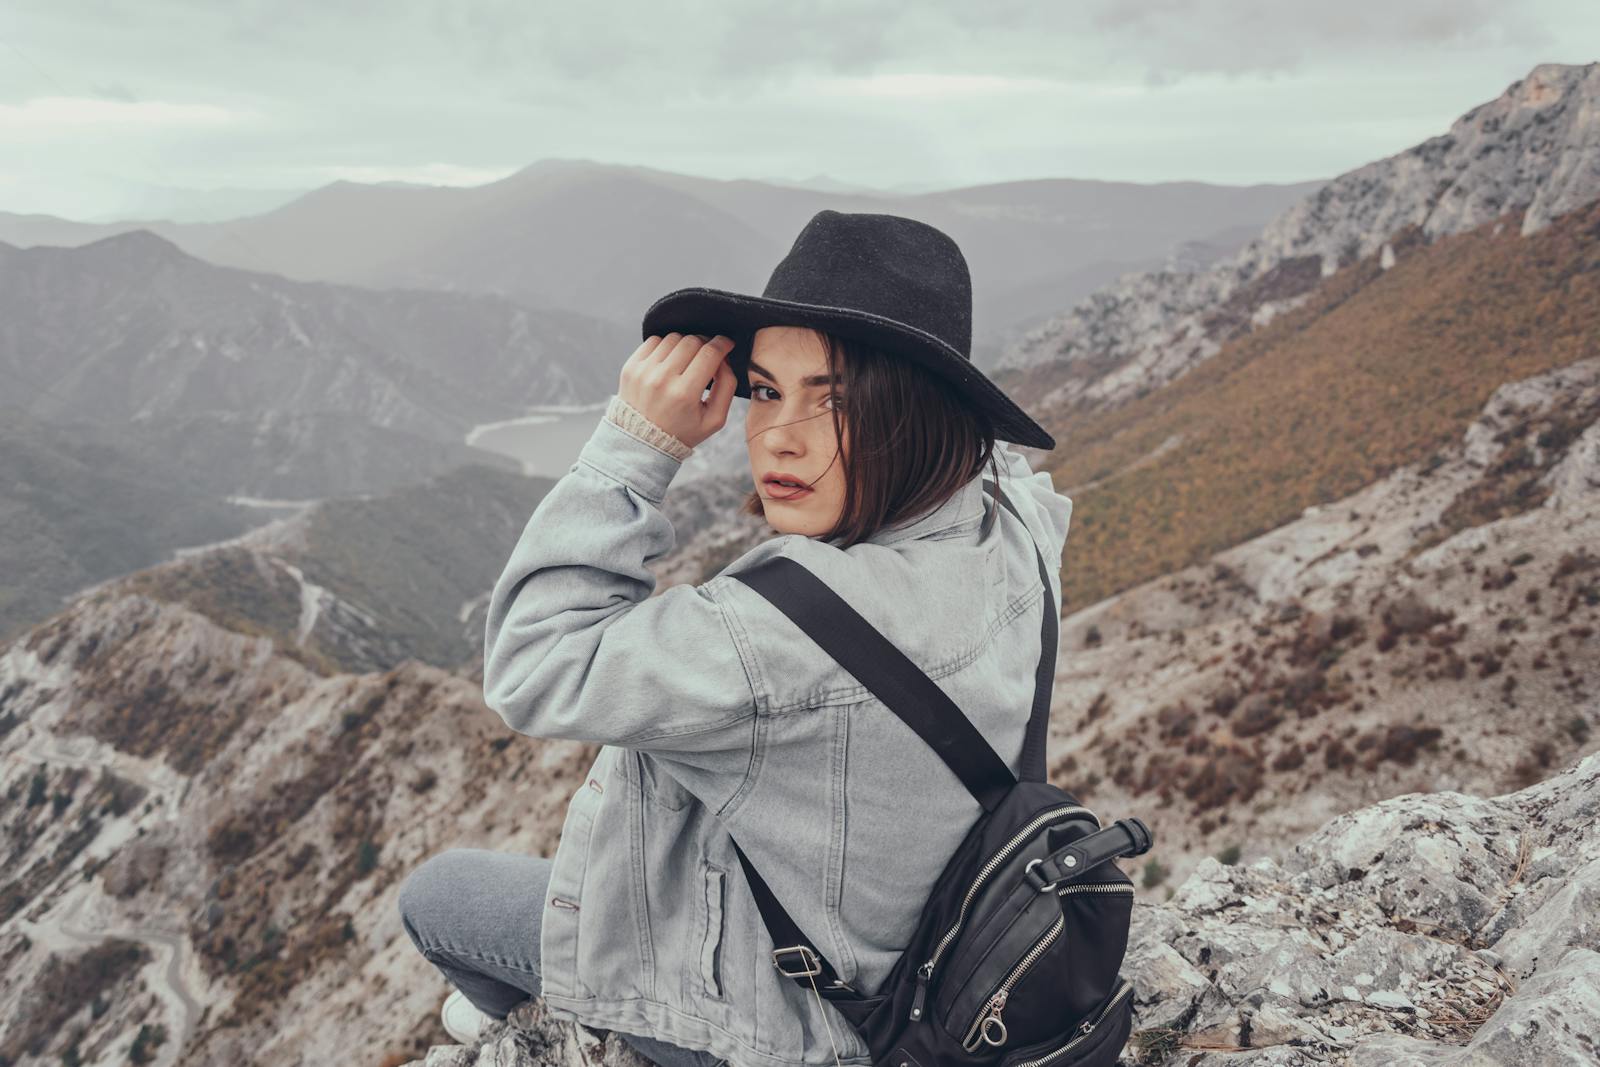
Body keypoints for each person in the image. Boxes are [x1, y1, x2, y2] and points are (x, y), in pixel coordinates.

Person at [398, 210, 1072, 1067]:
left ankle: (529, 1037)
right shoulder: (1015, 526)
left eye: (836, 399)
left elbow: (532, 662)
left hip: (798, 1029)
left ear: (923, 412)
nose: (779, 437)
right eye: (763, 389)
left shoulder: (781, 630)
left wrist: (634, 446)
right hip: (935, 960)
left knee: (439, 895)